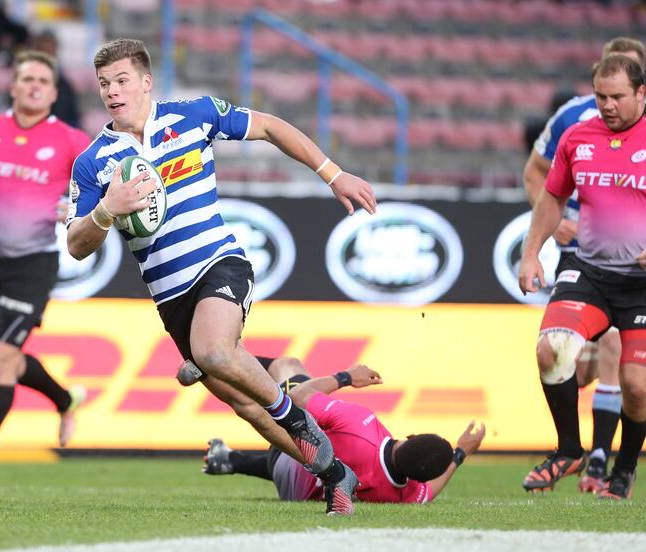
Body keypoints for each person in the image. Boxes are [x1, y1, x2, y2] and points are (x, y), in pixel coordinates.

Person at [66, 38, 377, 515]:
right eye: (104, 83)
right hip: (170, 298)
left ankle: (297, 420)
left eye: (122, 80)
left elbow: (270, 127)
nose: (112, 91)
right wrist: (108, 209)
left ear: (147, 82)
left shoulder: (196, 115)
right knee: (245, 404)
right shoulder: (92, 163)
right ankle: (337, 477)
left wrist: (333, 174)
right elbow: (76, 245)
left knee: (213, 351)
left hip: (219, 263)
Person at [0, 50, 91, 484]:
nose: (34, 85)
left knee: (1, 358)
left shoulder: (71, 140)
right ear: (13, 85)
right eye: (27, 78)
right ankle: (64, 399)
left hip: (34, 264)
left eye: (43, 80)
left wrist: (82, 206)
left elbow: (107, 179)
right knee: (6, 356)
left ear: (54, 91)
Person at [519, 54, 646, 500]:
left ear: (641, 94)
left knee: (637, 385)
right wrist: (531, 252)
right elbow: (552, 197)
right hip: (588, 269)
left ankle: (624, 468)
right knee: (551, 349)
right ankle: (570, 449)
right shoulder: (576, 137)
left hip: (641, 284)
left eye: (617, 97)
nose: (607, 105)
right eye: (600, 96)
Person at [194, 357, 486, 504]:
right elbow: (430, 490)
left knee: (286, 371)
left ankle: (212, 362)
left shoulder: (362, 425)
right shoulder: (404, 494)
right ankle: (229, 460)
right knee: (323, 445)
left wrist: (345, 377)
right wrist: (460, 454)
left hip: (291, 457)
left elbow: (300, 399)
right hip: (299, 491)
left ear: (410, 436)